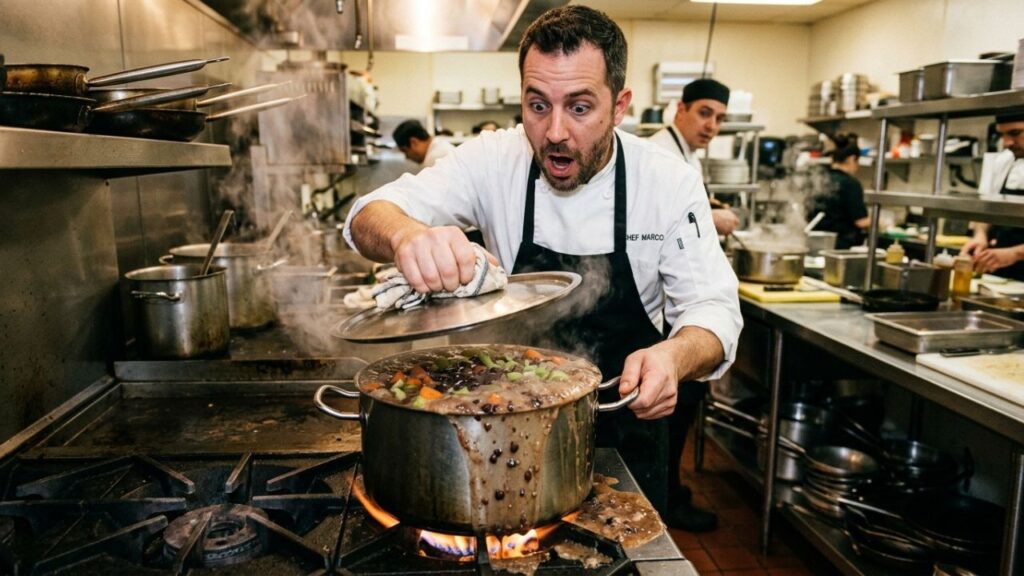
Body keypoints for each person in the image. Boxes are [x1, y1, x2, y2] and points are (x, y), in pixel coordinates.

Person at [343, 5, 741, 528]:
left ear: (619, 106)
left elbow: (714, 310)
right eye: (537, 105)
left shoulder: (667, 182)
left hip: (623, 431)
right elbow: (366, 215)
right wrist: (406, 235)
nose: (554, 131)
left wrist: (675, 355)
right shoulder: (493, 159)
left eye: (580, 107)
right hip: (504, 432)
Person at [649, 78, 740, 236]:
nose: (712, 126)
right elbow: (651, 218)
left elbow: (675, 203)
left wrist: (705, 205)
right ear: (681, 110)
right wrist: (710, 219)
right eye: (704, 113)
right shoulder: (658, 154)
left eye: (719, 119)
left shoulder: (689, 152)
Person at [961, 113, 1024, 280]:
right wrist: (980, 235)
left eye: (1015, 133)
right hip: (1002, 269)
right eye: (1002, 135)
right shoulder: (1003, 161)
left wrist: (1015, 253)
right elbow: (987, 207)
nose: (1006, 143)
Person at [808, 133, 869, 249]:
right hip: (841, 247)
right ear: (852, 159)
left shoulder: (820, 178)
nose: (857, 167)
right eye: (857, 162)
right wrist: (880, 222)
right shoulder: (851, 183)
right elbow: (861, 222)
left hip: (815, 242)